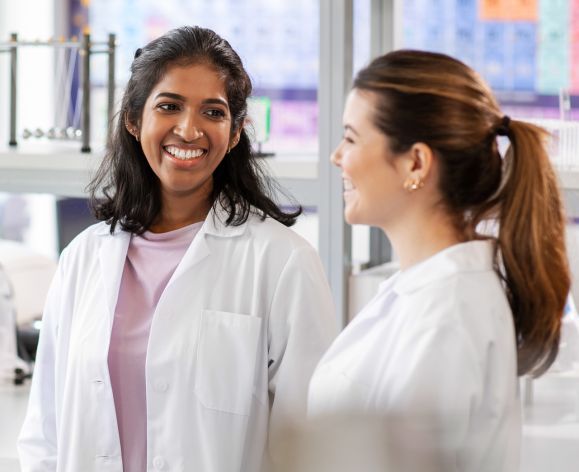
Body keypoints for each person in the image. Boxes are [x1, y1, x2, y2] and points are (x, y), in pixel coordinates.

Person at [18, 26, 336, 472]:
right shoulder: (83, 258)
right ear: (134, 119)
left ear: (236, 132)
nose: (189, 130)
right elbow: (45, 433)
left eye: (213, 112)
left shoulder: (283, 262)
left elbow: (312, 444)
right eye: (169, 106)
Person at [307, 50, 570, 471]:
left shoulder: (446, 316)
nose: (337, 156)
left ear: (415, 162)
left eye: (352, 138)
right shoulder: (429, 291)